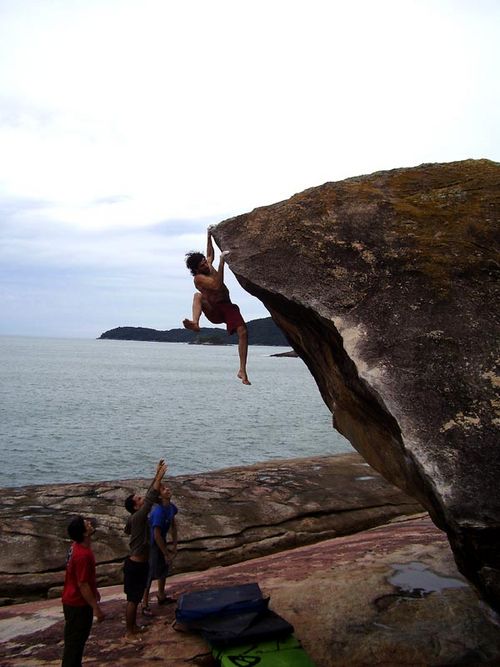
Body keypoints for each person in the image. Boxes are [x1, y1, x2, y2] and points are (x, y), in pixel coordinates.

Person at [183, 229, 251, 385]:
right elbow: (217, 284)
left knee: (243, 331)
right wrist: (221, 262)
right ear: (197, 270)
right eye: (202, 265)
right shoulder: (199, 278)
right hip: (214, 310)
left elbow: (209, 253)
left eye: (205, 262)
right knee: (197, 295)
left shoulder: (207, 263)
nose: (206, 265)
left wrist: (209, 236)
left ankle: (242, 370)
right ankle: (195, 323)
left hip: (227, 306)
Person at [123, 459, 168, 643]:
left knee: (135, 597)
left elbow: (148, 496)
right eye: (138, 499)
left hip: (139, 563)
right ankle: (129, 632)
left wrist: (155, 475)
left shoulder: (134, 518)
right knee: (133, 600)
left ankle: (134, 627)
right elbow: (150, 498)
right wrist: (159, 476)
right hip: (135, 565)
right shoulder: (139, 516)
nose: (142, 499)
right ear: (136, 506)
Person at [61, 515, 105, 667]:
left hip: (72, 600)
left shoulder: (76, 546)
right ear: (84, 533)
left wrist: (95, 591)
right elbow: (83, 584)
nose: (89, 523)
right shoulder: (83, 555)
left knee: (75, 644)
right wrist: (96, 608)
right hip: (77, 604)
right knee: (74, 645)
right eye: (85, 524)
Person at [141, 483, 178, 616]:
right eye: (163, 489)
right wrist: (165, 552)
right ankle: (144, 603)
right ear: (160, 496)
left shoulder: (171, 508)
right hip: (153, 544)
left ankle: (161, 596)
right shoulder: (158, 512)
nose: (167, 489)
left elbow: (173, 525)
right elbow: (156, 535)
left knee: (163, 568)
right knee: (150, 573)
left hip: (162, 541)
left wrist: (174, 543)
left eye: (168, 487)